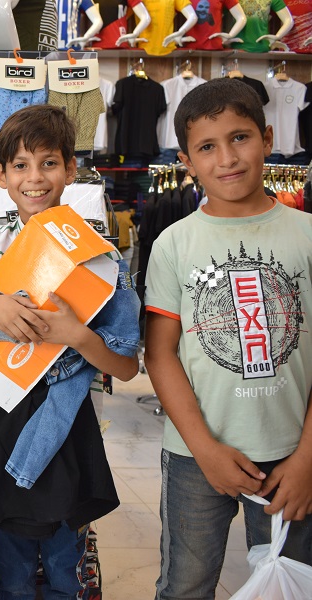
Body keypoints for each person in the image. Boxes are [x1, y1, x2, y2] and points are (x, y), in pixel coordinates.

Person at [0, 105, 140, 599]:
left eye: (49, 163)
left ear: (71, 169)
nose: (35, 177)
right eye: (21, 165)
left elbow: (125, 366)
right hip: (4, 415)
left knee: (63, 563)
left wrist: (77, 336)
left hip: (67, 422)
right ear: (1, 175)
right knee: (10, 563)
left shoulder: (99, 255)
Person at [144, 77, 312, 599]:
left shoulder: (306, 234)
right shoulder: (173, 243)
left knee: (290, 582)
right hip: (196, 455)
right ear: (186, 161)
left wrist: (308, 458)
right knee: (185, 584)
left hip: (292, 454)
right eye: (207, 147)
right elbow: (160, 354)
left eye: (240, 137)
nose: (227, 159)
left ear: (267, 138)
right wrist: (205, 449)